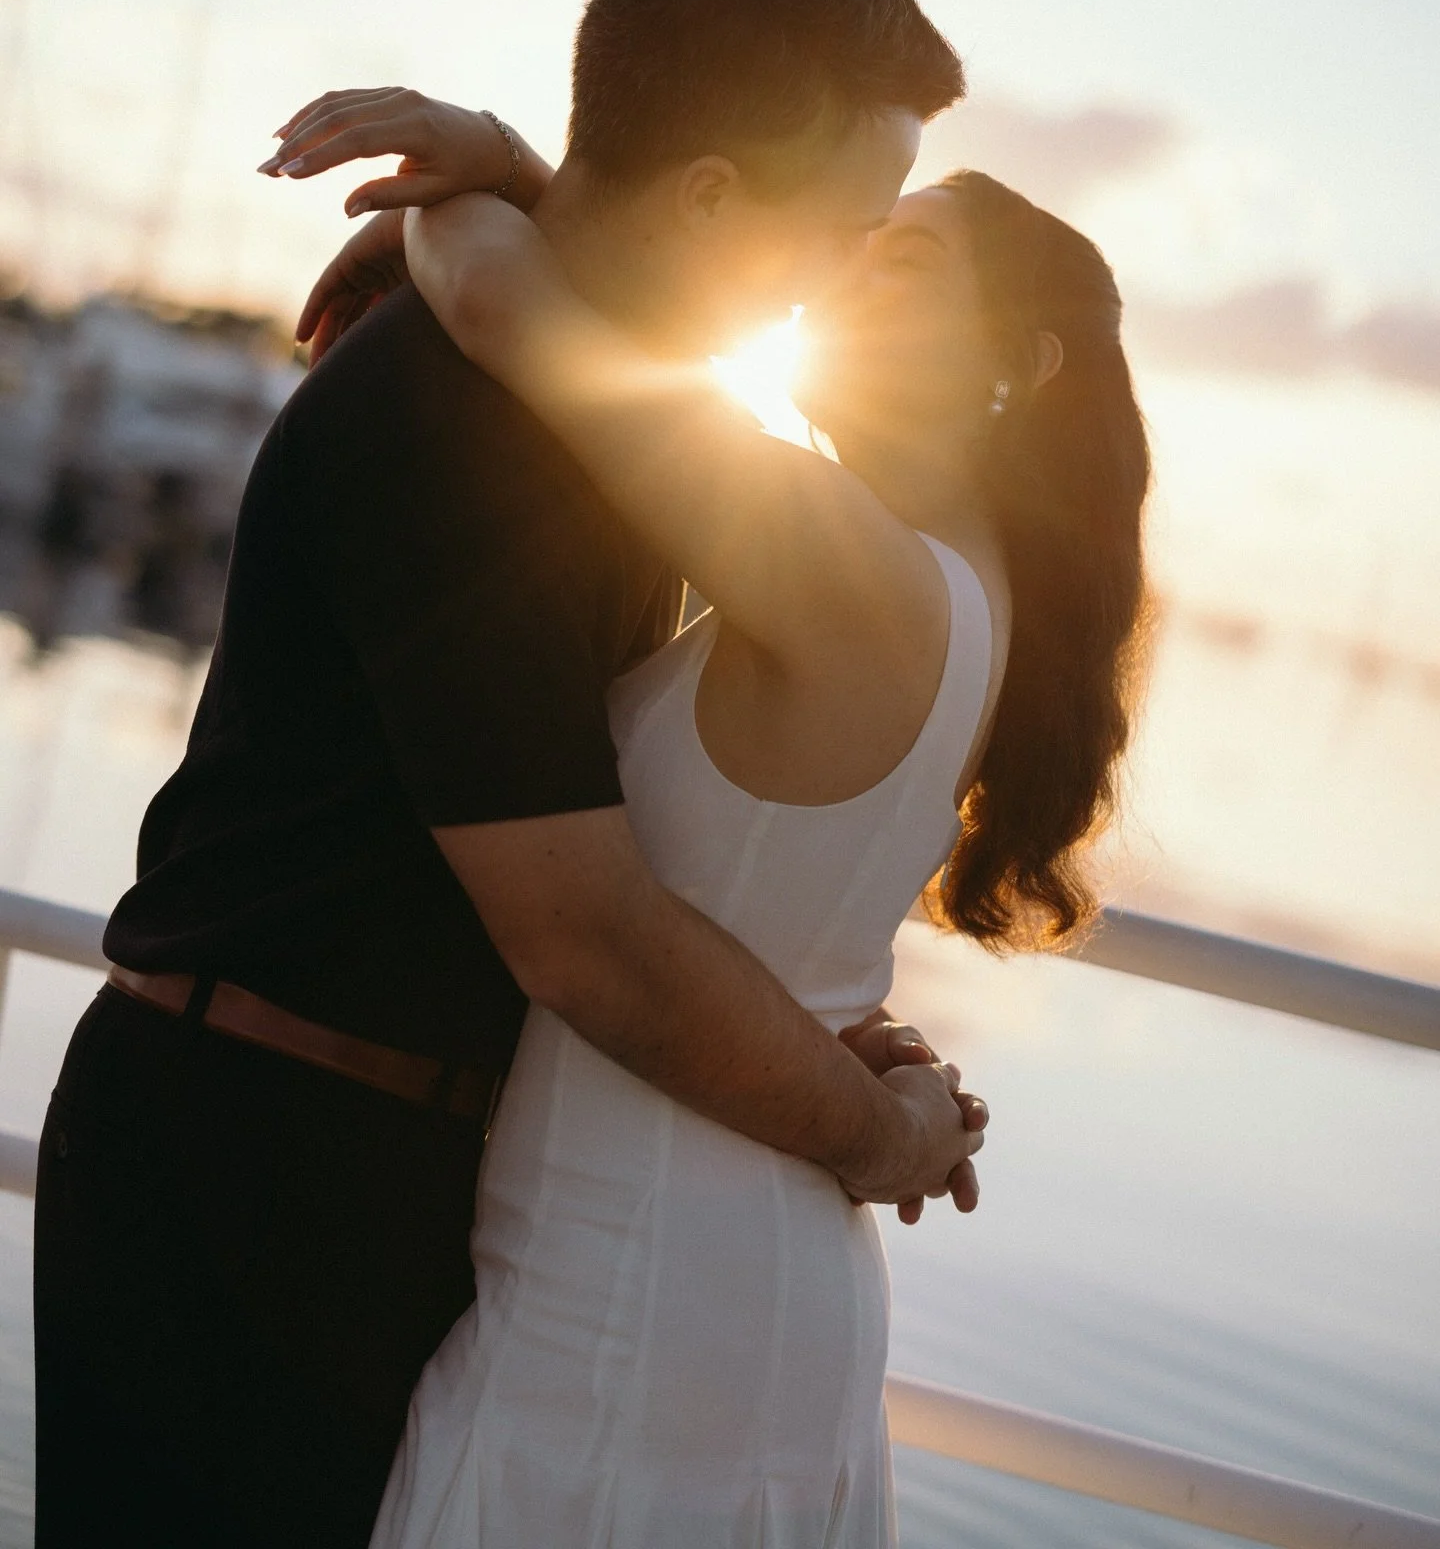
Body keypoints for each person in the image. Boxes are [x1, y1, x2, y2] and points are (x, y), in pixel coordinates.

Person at [31, 0, 987, 1549]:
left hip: (375, 1166)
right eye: (844, 228)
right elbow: (587, 943)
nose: (850, 276)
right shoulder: (464, 440)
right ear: (714, 200)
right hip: (254, 1170)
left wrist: (511, 191)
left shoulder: (592, 402)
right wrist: (874, 1130)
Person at [283, 117, 1151, 1543]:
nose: (849, 262)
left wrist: (464, 187)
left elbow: (516, 308)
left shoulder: (850, 565)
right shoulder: (943, 579)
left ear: (1017, 365)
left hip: (632, 1311)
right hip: (706, 1280)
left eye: (908, 254)